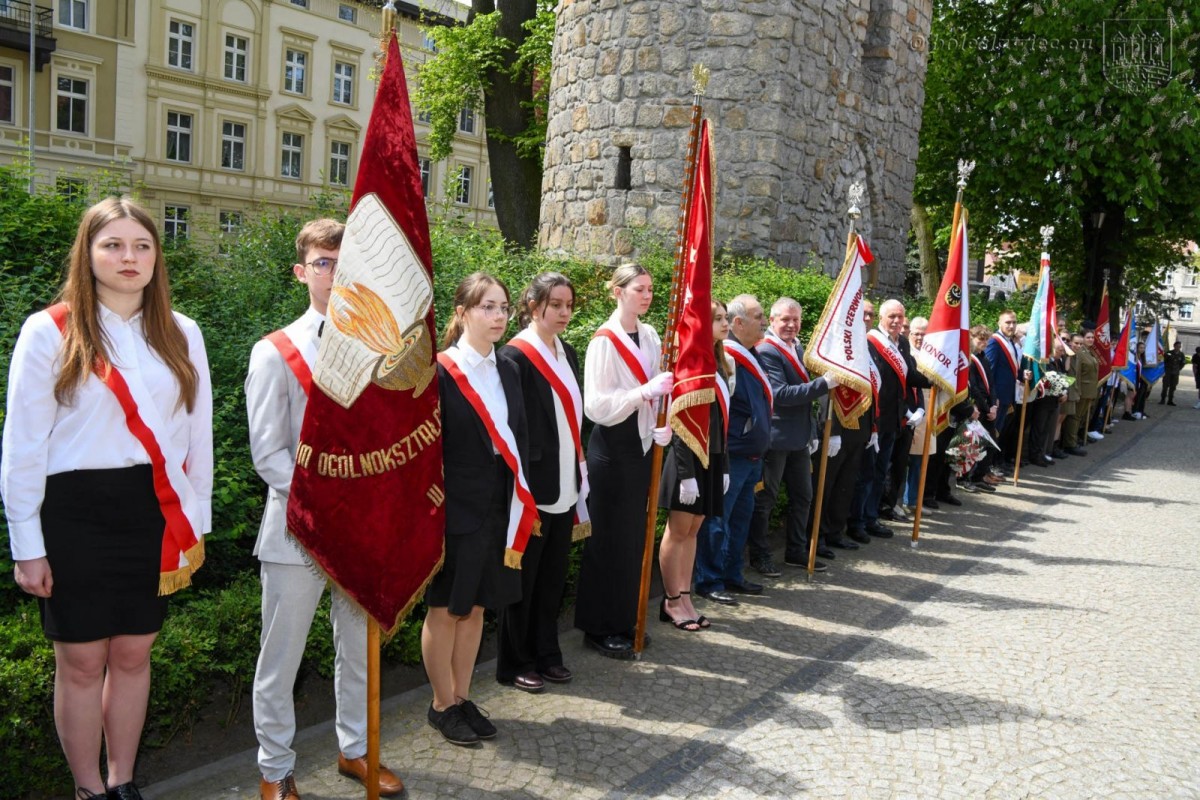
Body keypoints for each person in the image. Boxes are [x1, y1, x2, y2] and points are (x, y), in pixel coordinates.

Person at [2, 197, 213, 800]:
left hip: (152, 509)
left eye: (142, 246)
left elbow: (197, 438)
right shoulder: (49, 331)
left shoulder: (182, 332)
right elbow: (22, 447)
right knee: (81, 662)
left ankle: (123, 781)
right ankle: (88, 789)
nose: (128, 257)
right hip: (73, 512)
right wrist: (28, 544)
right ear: (88, 253)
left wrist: (193, 521)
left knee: (133, 653)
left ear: (156, 257)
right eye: (113, 245)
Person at [246, 220, 404, 800]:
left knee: (358, 651)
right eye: (324, 262)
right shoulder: (274, 351)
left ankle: (357, 750)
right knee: (280, 660)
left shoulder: (378, 349)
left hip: (360, 532)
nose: (335, 274)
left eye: (345, 263)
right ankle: (275, 769)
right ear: (302, 271)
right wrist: (331, 504)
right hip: (298, 531)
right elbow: (268, 454)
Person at [424, 273, 532, 745]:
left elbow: (519, 437)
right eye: (488, 307)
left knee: (478, 607)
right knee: (447, 607)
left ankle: (463, 697)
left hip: (499, 501)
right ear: (463, 312)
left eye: (504, 308)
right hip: (454, 506)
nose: (498, 316)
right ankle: (440, 704)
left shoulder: (508, 366)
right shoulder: (440, 370)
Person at [574, 264, 673, 658]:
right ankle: (597, 627)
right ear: (617, 292)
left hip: (640, 446)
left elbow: (660, 386)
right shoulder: (605, 340)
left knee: (633, 539)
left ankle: (622, 619)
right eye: (639, 289)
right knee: (608, 540)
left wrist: (658, 426)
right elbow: (596, 405)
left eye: (650, 289)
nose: (647, 295)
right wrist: (642, 395)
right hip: (612, 450)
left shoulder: (648, 334)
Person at [496, 273, 584, 691]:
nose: (564, 312)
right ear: (534, 306)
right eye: (556, 305)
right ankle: (515, 661)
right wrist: (523, 486)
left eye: (569, 305)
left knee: (552, 579)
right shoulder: (515, 355)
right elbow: (514, 428)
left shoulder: (568, 351)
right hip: (532, 487)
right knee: (524, 582)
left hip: (566, 480)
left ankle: (548, 653)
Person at [656, 300, 732, 630]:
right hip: (688, 459)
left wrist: (724, 465)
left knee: (694, 530)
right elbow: (681, 419)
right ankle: (671, 600)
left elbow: (722, 422)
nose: (725, 323)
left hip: (712, 457)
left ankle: (686, 596)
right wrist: (686, 474)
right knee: (678, 530)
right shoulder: (691, 363)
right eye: (717, 319)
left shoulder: (721, 363)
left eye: (725, 318)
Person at [748, 297, 837, 571]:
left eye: (795, 320)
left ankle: (796, 550)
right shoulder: (767, 350)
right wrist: (823, 384)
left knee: (804, 496)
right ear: (772, 320)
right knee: (767, 499)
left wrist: (811, 431)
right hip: (775, 439)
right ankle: (760, 555)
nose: (791, 325)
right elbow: (781, 395)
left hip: (799, 438)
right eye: (785, 319)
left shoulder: (797, 346)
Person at [694, 294, 771, 604]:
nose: (764, 322)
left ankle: (731, 574)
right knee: (717, 520)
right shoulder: (730, 356)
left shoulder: (753, 354)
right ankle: (708, 580)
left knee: (740, 518)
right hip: (734, 453)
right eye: (759, 316)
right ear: (739, 323)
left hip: (751, 454)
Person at [1160, 341, 1186, 405]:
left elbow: (1182, 363)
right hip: (1168, 372)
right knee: (1165, 386)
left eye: (1179, 347)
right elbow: (1164, 361)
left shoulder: (1181, 354)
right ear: (1174, 346)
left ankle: (1170, 400)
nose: (1178, 348)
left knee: (1173, 387)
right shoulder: (1169, 353)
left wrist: (1178, 369)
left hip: (1175, 373)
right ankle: (1162, 399)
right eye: (1177, 346)